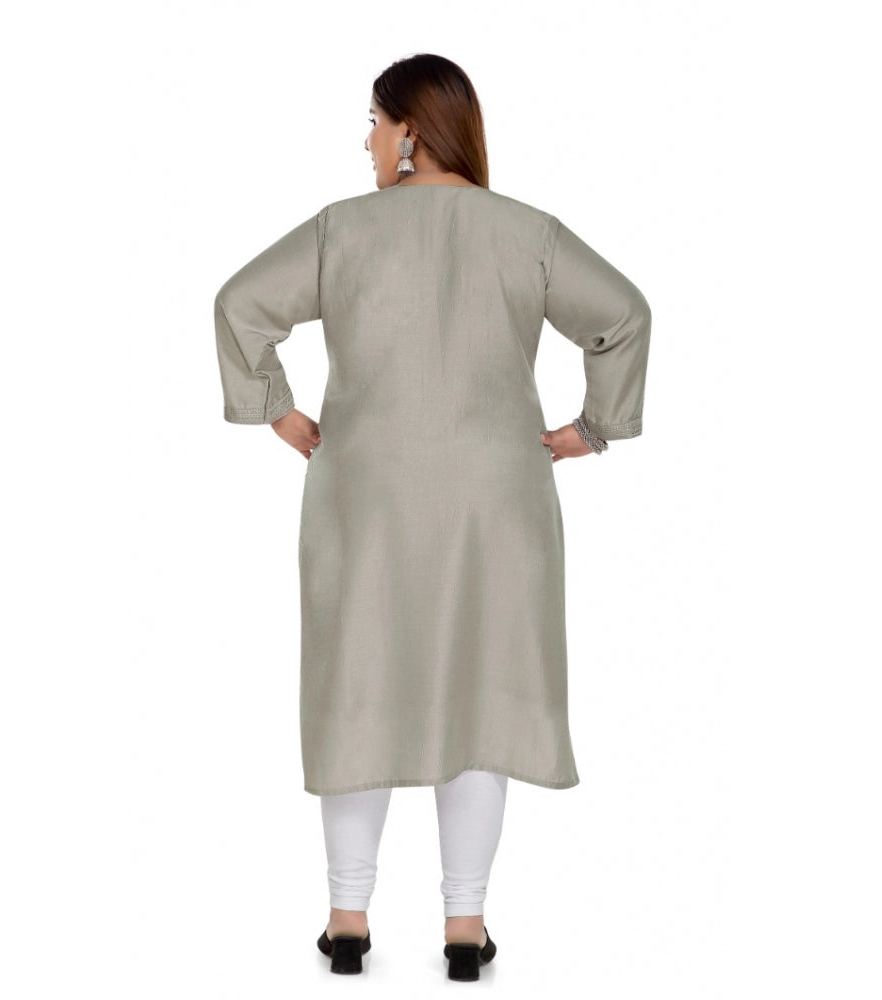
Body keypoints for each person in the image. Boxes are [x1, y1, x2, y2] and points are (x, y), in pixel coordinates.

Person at [213, 53, 652, 981]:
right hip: (497, 504)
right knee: (479, 697)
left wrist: (278, 412)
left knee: (357, 689)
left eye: (374, 122)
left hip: (365, 497)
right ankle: (463, 928)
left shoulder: (342, 230)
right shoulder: (526, 233)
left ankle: (347, 921)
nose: (367, 141)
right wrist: (592, 429)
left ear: (410, 129)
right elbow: (622, 314)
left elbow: (240, 304)